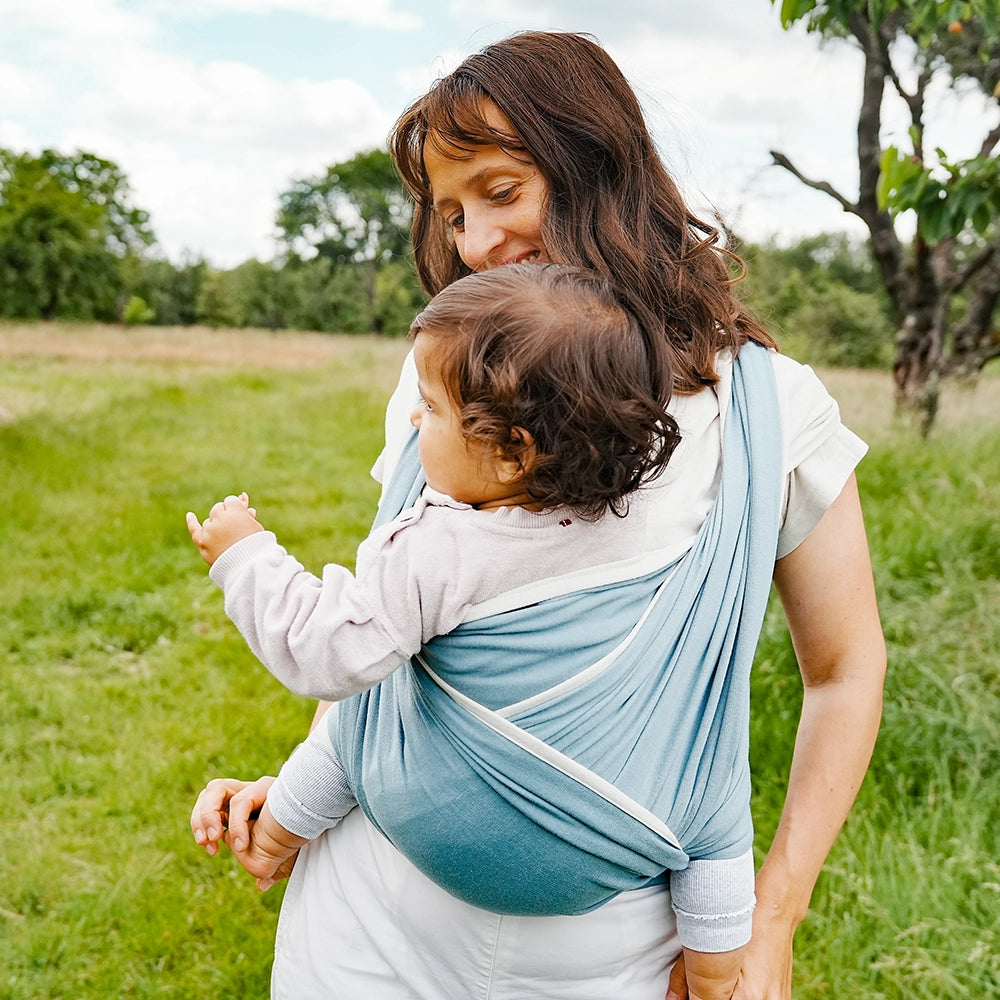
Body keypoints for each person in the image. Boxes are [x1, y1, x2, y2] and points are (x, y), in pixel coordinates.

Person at [190, 30, 886, 1000]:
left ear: (599, 170)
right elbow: (397, 612)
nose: (474, 243)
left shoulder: (770, 413)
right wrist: (306, 788)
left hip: (610, 960)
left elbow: (845, 671)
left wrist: (767, 921)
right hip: (365, 925)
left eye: (502, 192)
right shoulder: (449, 382)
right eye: (452, 212)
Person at [188, 261, 760, 999]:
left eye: (428, 408)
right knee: (710, 784)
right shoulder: (636, 537)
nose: (415, 423)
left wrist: (245, 558)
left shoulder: (440, 546)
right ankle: (715, 979)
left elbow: (328, 651)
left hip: (432, 836)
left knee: (365, 724)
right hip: (634, 825)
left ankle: (275, 836)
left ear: (513, 450)